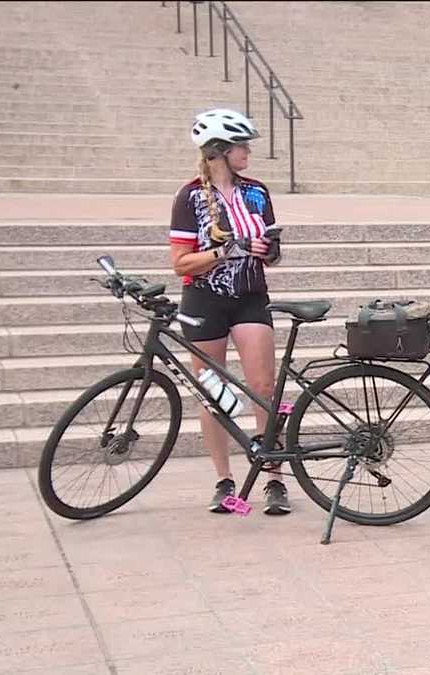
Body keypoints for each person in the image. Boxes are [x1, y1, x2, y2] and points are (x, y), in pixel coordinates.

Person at [169, 108, 290, 515]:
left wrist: (268, 251)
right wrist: (225, 250)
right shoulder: (188, 198)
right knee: (213, 394)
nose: (248, 152)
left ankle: (274, 477)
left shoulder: (257, 192)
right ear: (219, 150)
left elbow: (272, 251)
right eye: (242, 145)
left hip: (250, 295)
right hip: (204, 299)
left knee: (264, 388)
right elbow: (180, 263)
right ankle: (223, 481)